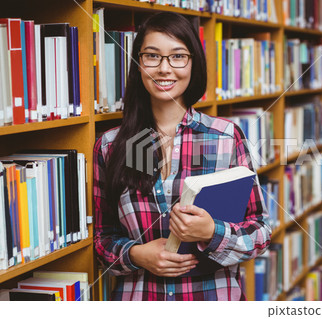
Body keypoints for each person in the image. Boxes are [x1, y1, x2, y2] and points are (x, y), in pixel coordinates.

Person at [93, 11, 272, 301]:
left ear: (193, 64)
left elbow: (261, 233)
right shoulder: (109, 146)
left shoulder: (226, 136)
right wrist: (136, 254)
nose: (164, 69)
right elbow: (101, 238)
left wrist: (212, 231)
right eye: (152, 56)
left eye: (178, 56)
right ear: (139, 64)